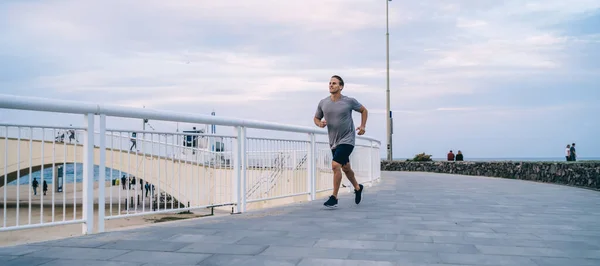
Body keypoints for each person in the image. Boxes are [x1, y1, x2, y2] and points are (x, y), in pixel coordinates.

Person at [314, 75, 368, 208]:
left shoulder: (349, 101)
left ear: (341, 87)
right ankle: (357, 187)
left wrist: (362, 126)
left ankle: (334, 197)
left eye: (334, 83)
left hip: (347, 139)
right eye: (330, 83)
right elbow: (316, 118)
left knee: (335, 165)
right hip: (334, 141)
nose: (331, 85)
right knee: (346, 168)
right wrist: (319, 123)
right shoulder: (323, 103)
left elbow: (363, 110)